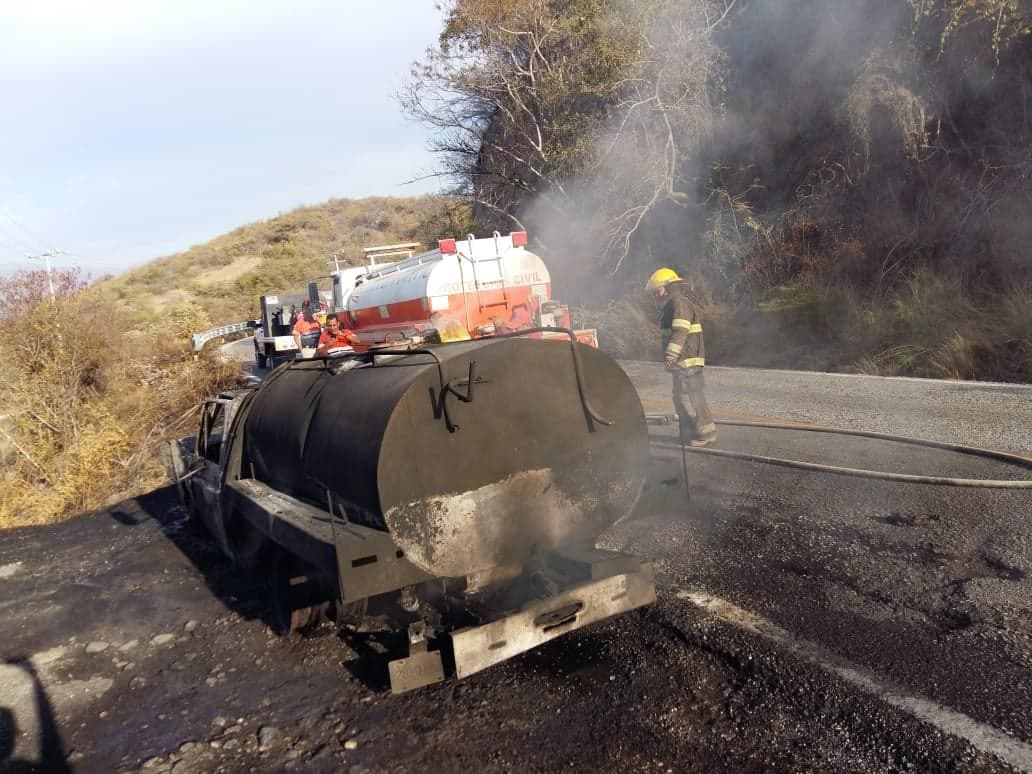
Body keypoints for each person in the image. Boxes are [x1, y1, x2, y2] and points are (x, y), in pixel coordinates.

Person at [645, 267, 716, 447]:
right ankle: (689, 433)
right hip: (681, 362)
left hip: (688, 360)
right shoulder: (670, 307)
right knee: (680, 398)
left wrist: (671, 352)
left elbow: (680, 331)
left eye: (657, 291)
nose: (655, 296)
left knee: (693, 397)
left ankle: (705, 434)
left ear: (668, 288)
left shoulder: (679, 304)